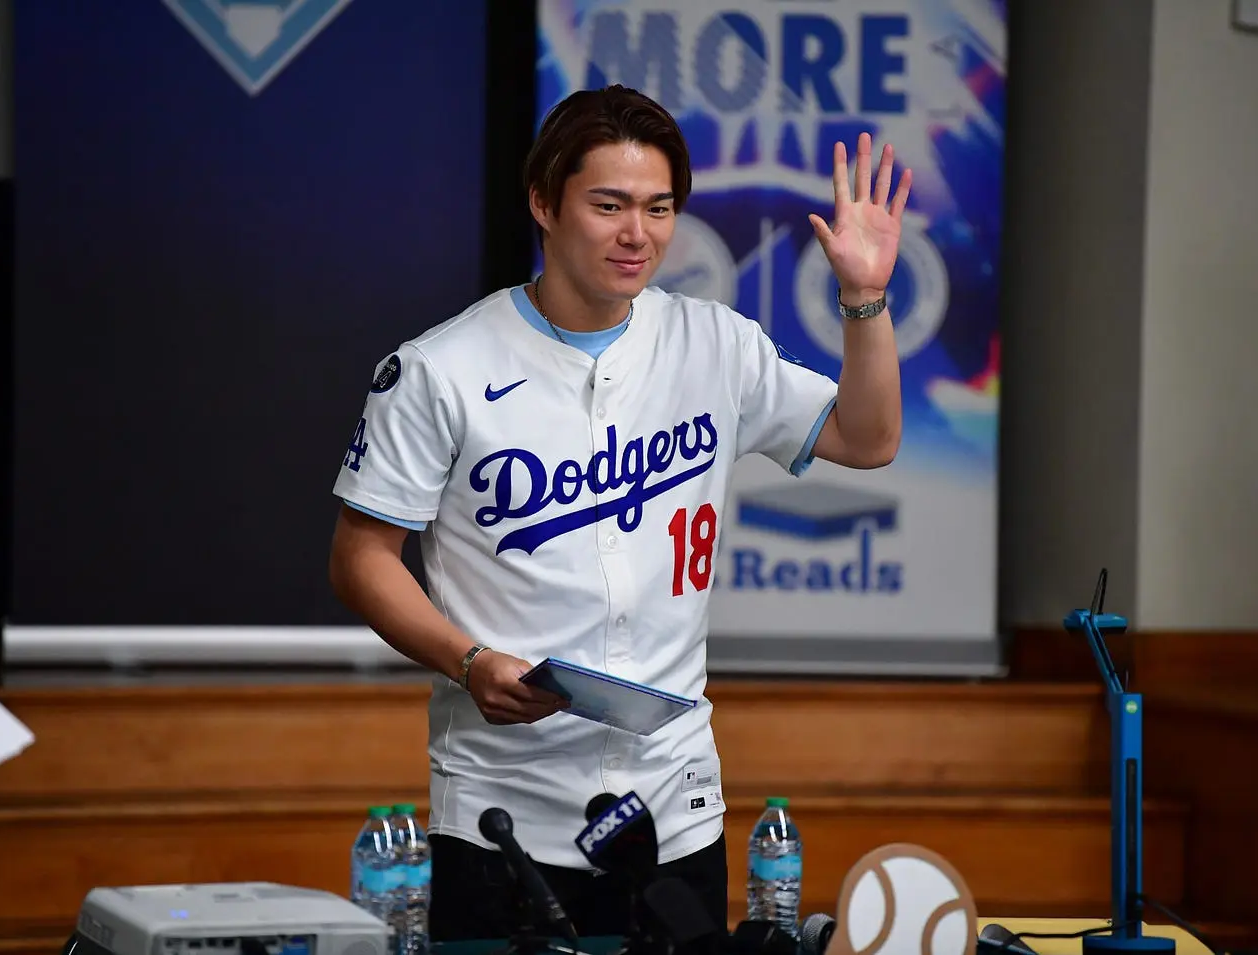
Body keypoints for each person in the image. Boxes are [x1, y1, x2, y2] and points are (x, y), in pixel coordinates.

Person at [327, 84, 909, 940]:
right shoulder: (440, 368)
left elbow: (868, 436)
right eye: (609, 205)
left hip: (675, 805)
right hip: (502, 809)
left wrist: (863, 296)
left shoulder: (716, 343)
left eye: (658, 207)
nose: (638, 233)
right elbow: (361, 558)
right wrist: (469, 659)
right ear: (543, 202)